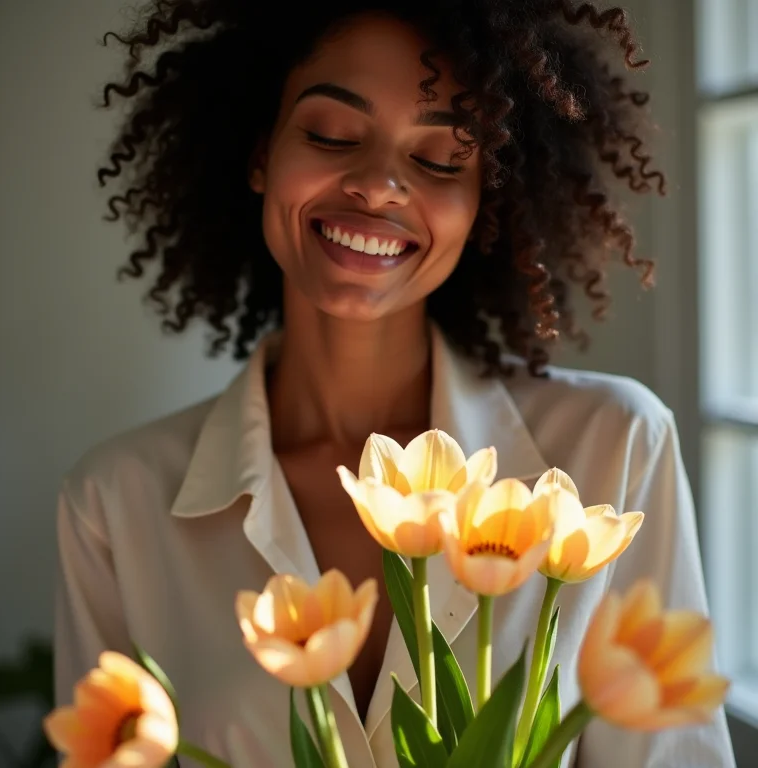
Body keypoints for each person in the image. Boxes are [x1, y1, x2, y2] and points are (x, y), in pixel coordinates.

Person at [54, 0, 736, 765]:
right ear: (258, 154)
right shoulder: (117, 503)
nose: (379, 186)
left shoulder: (612, 451)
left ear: (484, 202)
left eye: (442, 159)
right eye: (332, 134)